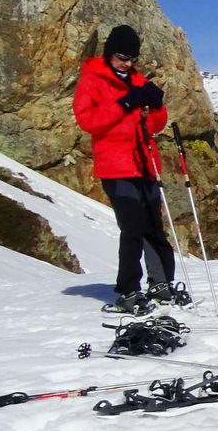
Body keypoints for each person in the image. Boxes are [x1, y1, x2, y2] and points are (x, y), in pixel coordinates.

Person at [71, 24, 182, 312]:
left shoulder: (138, 80)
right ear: (109, 53)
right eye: (122, 57)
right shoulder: (92, 81)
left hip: (144, 164)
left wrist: (157, 106)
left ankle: (161, 284)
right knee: (132, 227)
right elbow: (88, 121)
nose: (128, 64)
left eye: (132, 59)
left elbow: (155, 125)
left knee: (154, 228)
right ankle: (128, 290)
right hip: (115, 166)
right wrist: (125, 103)